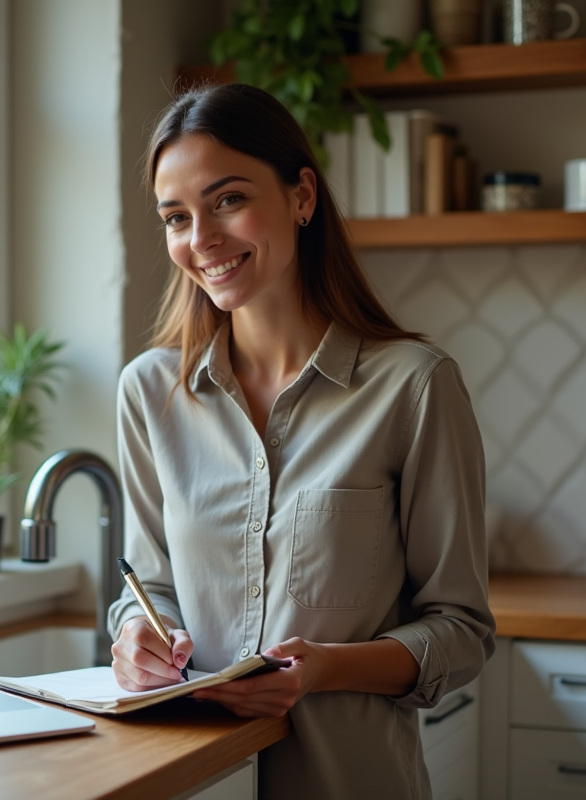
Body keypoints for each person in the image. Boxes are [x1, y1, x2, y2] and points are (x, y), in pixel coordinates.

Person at [106, 83, 495, 800]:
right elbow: (148, 586)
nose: (202, 240)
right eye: (176, 216)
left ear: (302, 197)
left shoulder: (413, 385)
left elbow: (463, 631)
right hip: (198, 784)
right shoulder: (150, 392)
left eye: (227, 200)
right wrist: (135, 635)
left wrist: (324, 670)